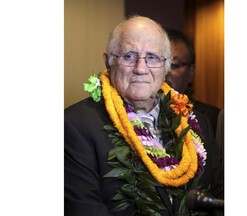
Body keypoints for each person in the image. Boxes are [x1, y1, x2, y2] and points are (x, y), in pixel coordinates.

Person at [65, 16, 223, 216]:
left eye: (152, 57)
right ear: (108, 61)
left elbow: (219, 199)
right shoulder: (75, 125)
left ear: (166, 66)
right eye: (129, 56)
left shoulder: (198, 124)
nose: (141, 68)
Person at [164, 28, 221, 135]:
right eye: (159, 62)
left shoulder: (213, 118)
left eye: (174, 64)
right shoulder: (137, 113)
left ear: (191, 72)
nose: (166, 71)